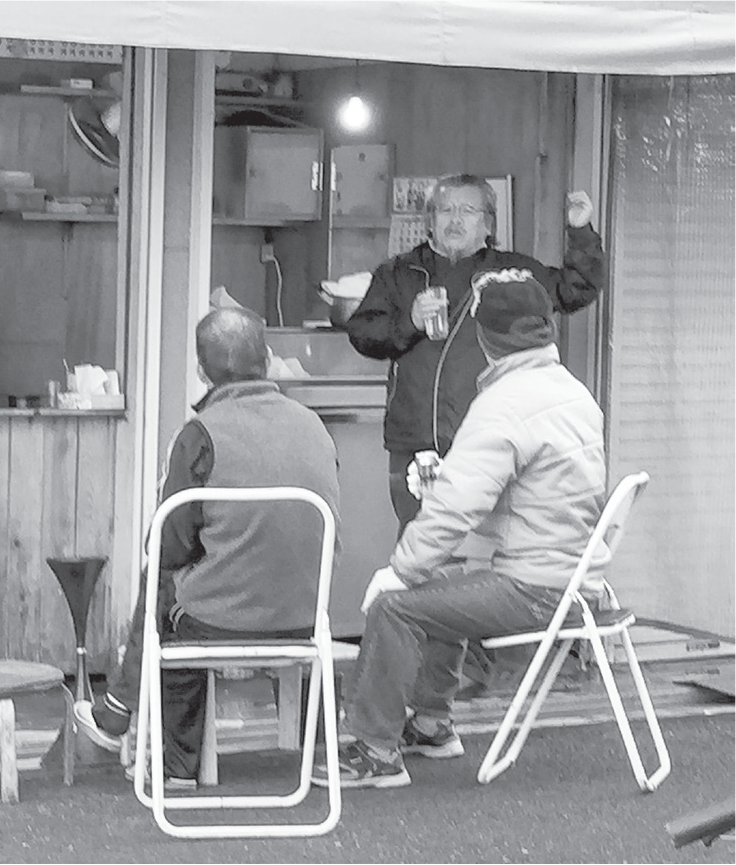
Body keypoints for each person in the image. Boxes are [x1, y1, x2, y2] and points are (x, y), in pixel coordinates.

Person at [311, 270, 607, 789]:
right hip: (574, 581)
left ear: (485, 338)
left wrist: (398, 570)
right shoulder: (573, 393)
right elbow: (533, 493)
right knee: (442, 578)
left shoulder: (505, 403)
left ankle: (374, 750)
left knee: (398, 604)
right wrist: (448, 486)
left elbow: (454, 512)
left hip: (533, 588)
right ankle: (430, 723)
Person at [73, 306, 341, 788]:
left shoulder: (201, 435)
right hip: (310, 616)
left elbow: (170, 545)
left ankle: (168, 759)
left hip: (225, 621)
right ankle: (118, 713)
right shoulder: (314, 425)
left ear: (202, 371)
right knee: (180, 586)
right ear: (269, 358)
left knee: (164, 588)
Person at [344, 175, 605, 534]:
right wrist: (410, 321)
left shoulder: (510, 273)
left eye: (468, 211)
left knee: (485, 552)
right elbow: (361, 334)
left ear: (488, 222)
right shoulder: (398, 272)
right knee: (422, 548)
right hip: (416, 446)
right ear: (430, 221)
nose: (455, 220)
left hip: (490, 445)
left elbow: (575, 290)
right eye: (445, 210)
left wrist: (580, 232)